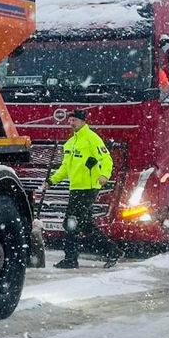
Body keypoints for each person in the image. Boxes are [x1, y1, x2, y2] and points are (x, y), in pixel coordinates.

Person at [42, 109, 118, 269]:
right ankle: (112, 250)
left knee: (71, 222)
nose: (70, 123)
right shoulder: (70, 143)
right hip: (76, 188)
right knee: (84, 223)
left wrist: (105, 175)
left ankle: (71, 258)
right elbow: (65, 168)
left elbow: (106, 159)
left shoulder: (92, 139)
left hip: (89, 187)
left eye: (74, 120)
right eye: (69, 120)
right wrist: (51, 181)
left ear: (83, 121)